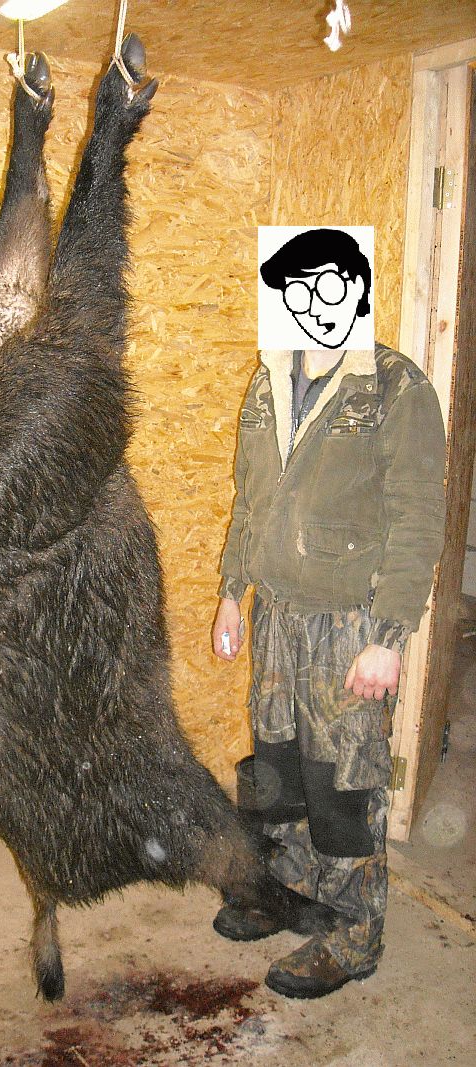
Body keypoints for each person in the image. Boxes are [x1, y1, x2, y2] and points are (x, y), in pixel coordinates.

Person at [212, 232, 447, 999]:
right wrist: (232, 592)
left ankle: (351, 932)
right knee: (277, 768)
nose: (314, 304)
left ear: (358, 289)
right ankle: (287, 893)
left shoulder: (396, 388)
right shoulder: (267, 381)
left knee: (341, 781)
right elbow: (250, 500)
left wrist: (390, 636)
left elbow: (418, 520)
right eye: (298, 290)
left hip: (348, 625)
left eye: (330, 286)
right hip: (275, 615)